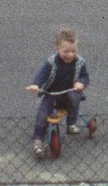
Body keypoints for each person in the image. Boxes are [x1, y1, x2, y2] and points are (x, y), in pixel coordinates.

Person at [26, 28, 90, 156]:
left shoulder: (80, 62)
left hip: (69, 92)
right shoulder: (51, 62)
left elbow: (85, 76)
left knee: (75, 98)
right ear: (58, 49)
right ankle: (38, 140)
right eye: (66, 51)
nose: (70, 55)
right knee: (42, 114)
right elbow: (42, 74)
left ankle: (71, 123)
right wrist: (36, 85)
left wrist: (81, 83)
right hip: (52, 93)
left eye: (73, 51)